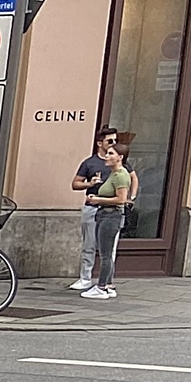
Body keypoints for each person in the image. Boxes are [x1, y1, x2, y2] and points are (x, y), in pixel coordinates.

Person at [82, 139, 133, 300]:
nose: (106, 156)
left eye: (111, 153)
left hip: (111, 216)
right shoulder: (114, 174)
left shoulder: (121, 175)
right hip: (105, 214)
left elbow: (121, 200)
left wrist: (97, 200)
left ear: (120, 157)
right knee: (105, 252)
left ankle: (101, 287)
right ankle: (108, 285)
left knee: (105, 254)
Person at [70, 124, 117, 290]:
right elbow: (75, 183)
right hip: (92, 207)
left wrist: (130, 197)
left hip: (111, 209)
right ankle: (85, 278)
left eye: (115, 141)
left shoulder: (118, 162)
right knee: (89, 244)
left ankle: (106, 282)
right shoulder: (90, 163)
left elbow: (132, 178)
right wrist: (89, 184)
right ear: (100, 143)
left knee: (109, 249)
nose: (113, 144)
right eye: (110, 141)